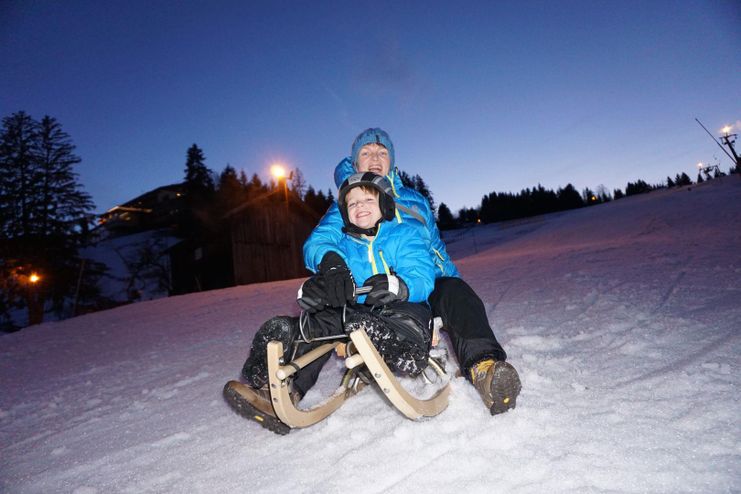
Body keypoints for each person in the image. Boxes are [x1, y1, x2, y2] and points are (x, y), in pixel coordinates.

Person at [303, 128, 521, 415]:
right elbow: (319, 241)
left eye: (382, 153)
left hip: (419, 280)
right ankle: (286, 385)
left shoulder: (414, 200)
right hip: (370, 287)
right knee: (320, 308)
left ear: (391, 161)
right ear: (355, 163)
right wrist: (331, 262)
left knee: (456, 292)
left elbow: (435, 247)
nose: (375, 158)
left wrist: (453, 285)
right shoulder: (349, 199)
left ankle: (486, 369)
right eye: (366, 153)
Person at [224, 172, 437, 433]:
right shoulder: (345, 246)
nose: (359, 206)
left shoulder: (404, 234)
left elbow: (422, 274)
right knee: (321, 323)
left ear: (384, 204)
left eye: (367, 200)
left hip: (402, 306)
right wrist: (316, 290)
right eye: (352, 203)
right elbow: (333, 281)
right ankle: (281, 376)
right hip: (359, 315)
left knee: (403, 314)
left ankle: (404, 348)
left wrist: (400, 285)